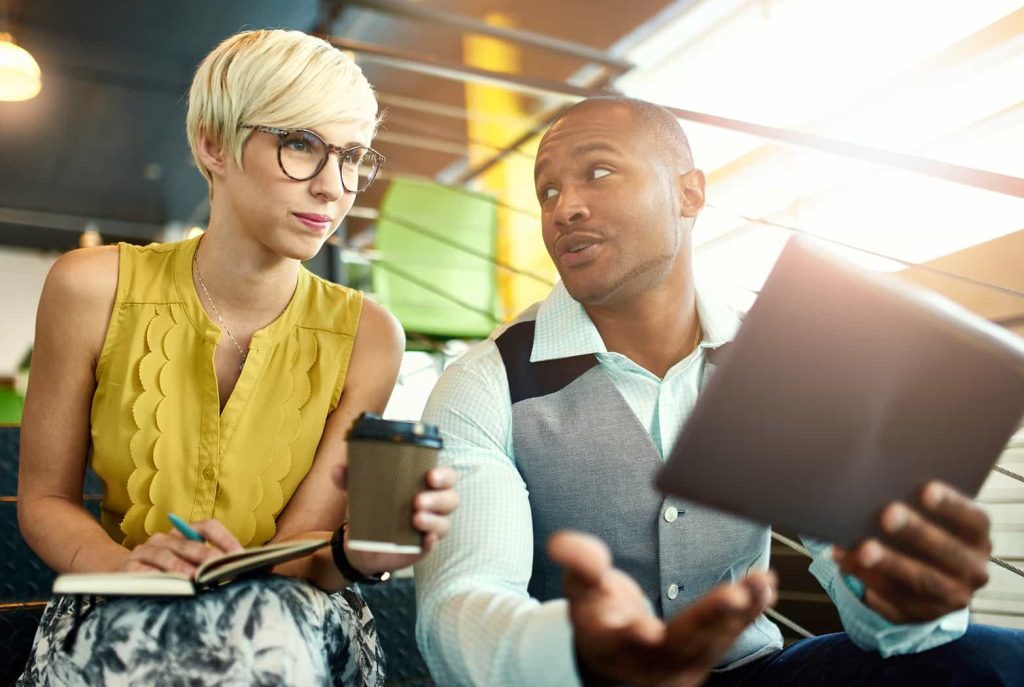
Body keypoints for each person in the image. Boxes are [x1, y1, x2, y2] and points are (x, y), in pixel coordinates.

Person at [414, 96, 1023, 686]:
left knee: (993, 661)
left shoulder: (779, 367)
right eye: (548, 191)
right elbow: (462, 596)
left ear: (689, 192)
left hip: (750, 673)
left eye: (598, 173)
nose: (564, 207)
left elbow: (866, 593)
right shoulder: (483, 383)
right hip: (581, 679)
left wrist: (907, 602)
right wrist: (577, 655)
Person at [17, 29, 457, 686]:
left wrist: (359, 552)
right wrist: (117, 564)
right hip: (116, 593)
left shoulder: (370, 334)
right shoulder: (87, 286)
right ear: (212, 145)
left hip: (292, 616)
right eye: (301, 144)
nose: (334, 187)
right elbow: (45, 497)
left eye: (353, 157)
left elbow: (300, 559)